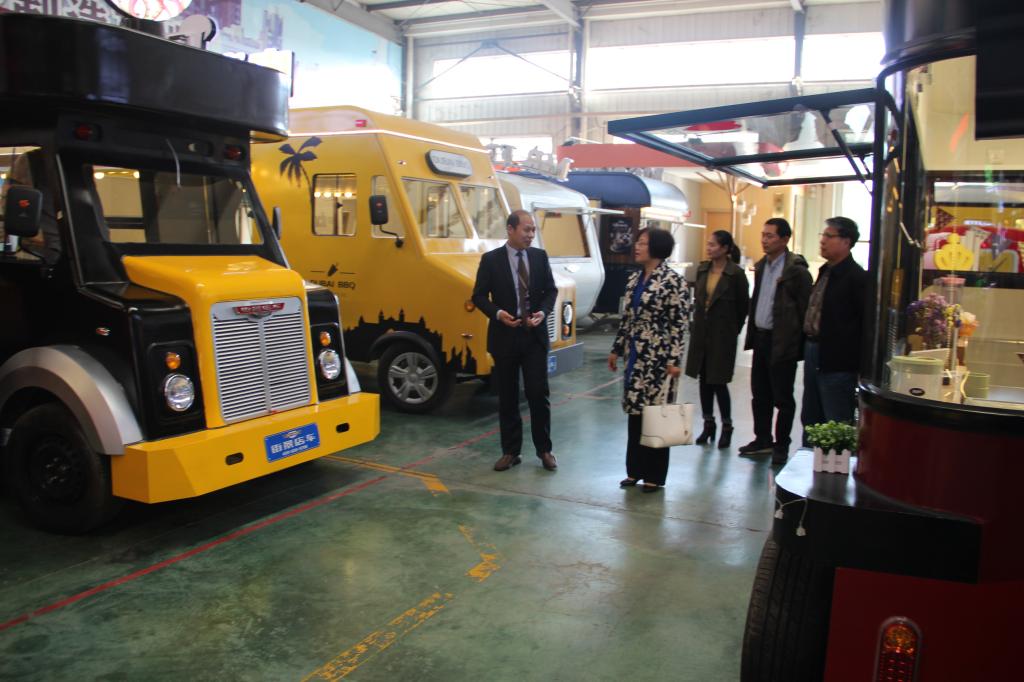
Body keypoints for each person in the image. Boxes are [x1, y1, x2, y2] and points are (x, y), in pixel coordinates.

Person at [472, 209, 559, 472]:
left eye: (533, 230)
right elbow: (478, 296)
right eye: (526, 229)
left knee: (537, 393)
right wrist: (498, 314)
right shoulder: (491, 260)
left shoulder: (539, 257)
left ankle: (544, 450)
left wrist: (543, 312)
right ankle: (510, 452)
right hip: (505, 336)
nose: (531, 235)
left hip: (534, 337)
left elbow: (550, 291)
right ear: (510, 229)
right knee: (507, 396)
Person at [608, 227, 690, 493]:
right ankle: (634, 471)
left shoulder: (673, 281)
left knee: (656, 416)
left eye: (643, 243)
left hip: (659, 359)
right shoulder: (634, 279)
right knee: (635, 414)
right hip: (635, 356)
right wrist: (616, 349)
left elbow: (679, 324)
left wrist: (674, 359)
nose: (637, 246)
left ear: (656, 248)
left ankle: (654, 475)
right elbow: (627, 319)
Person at [740, 218, 812, 465]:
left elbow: (805, 309)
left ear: (784, 239)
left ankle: (782, 445)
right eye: (763, 235)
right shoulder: (762, 266)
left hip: (782, 342)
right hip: (761, 338)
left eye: (770, 236)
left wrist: (797, 344)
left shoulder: (796, 271)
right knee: (760, 394)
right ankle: (762, 439)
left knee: (782, 397)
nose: (764, 240)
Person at [801, 216, 868, 434]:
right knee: (811, 416)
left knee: (835, 421)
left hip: (838, 361)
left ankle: (833, 457)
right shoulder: (825, 271)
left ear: (846, 242)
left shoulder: (856, 277)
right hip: (813, 351)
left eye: (829, 236)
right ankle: (810, 454)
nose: (823, 240)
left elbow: (864, 325)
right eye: (823, 235)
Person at [684, 230, 749, 449]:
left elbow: (743, 308)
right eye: (708, 244)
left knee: (718, 382)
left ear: (725, 248)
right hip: (702, 334)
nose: (709, 248)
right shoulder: (702, 269)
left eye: (713, 245)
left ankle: (727, 426)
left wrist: (731, 331)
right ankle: (708, 423)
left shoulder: (735, 274)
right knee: (704, 380)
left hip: (723, 336)